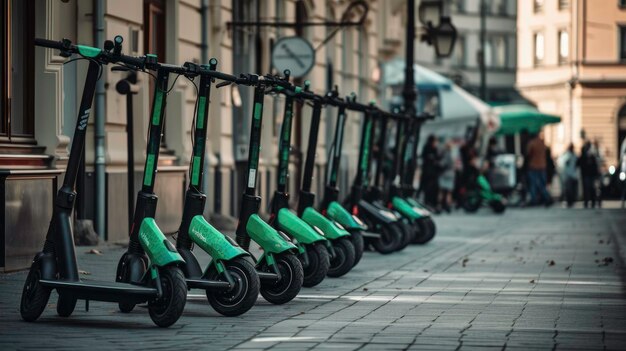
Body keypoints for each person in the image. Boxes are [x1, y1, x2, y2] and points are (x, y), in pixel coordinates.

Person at [525, 131, 552, 206]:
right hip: (543, 166)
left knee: (533, 184)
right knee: (542, 184)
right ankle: (547, 198)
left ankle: (534, 200)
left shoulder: (531, 143)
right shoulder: (542, 143)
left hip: (533, 166)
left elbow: (528, 154)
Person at [420, 134, 441, 209]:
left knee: (433, 189)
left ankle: (431, 203)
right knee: (427, 188)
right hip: (428, 173)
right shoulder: (427, 148)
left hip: (433, 173)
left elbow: (438, 159)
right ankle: (427, 202)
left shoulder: (435, 149)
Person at [578, 141, 599, 208]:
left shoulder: (591, 156)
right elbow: (579, 164)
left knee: (591, 189)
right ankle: (587, 202)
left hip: (589, 175)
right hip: (586, 175)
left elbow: (595, 166)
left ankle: (591, 202)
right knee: (587, 189)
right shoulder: (584, 156)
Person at [438, 140, 455, 213]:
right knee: (448, 192)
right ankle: (448, 206)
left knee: (441, 191)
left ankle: (440, 205)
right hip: (451, 174)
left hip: (445, 174)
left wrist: (438, 163)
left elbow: (442, 163)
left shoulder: (446, 154)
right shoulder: (452, 154)